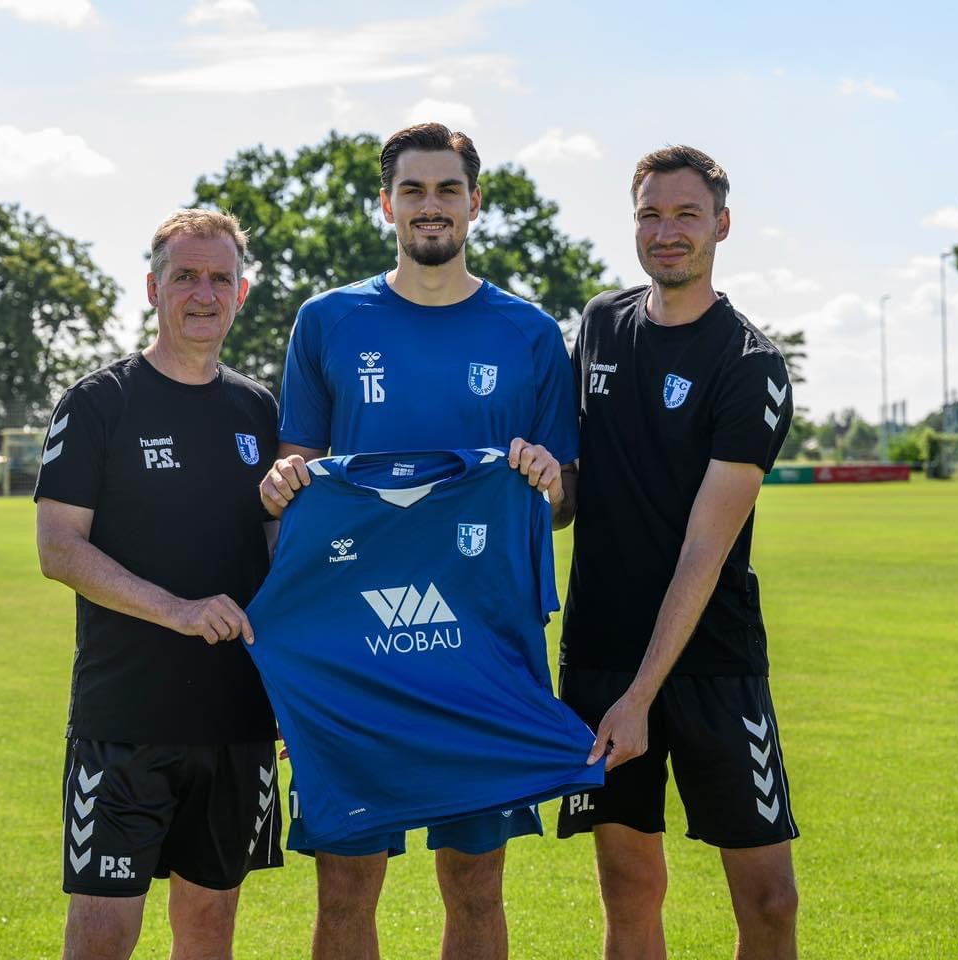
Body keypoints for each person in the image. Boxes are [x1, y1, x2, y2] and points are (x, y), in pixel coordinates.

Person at [259, 122, 579, 960]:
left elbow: (563, 500)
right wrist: (282, 483)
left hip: (479, 640)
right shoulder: (327, 321)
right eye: (413, 190)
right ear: (386, 203)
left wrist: (550, 480)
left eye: (446, 190)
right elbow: (296, 471)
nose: (429, 206)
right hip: (355, 646)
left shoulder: (532, 334)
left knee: (476, 886)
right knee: (344, 888)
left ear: (475, 202)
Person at [559, 145, 799, 960]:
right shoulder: (597, 323)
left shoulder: (751, 365)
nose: (667, 231)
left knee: (768, 901)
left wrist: (640, 695)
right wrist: (529, 479)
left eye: (686, 214)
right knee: (628, 889)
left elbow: (704, 550)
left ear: (721, 226)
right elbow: (567, 494)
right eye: (651, 214)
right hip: (599, 654)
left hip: (711, 663)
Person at [35, 209, 282, 960]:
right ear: (152, 287)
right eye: (185, 277)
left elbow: (280, 556)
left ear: (241, 292)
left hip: (238, 721)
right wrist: (176, 611)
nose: (203, 293)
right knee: (104, 933)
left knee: (209, 928)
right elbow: (59, 550)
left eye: (220, 278)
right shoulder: (99, 402)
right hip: (127, 720)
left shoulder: (259, 409)